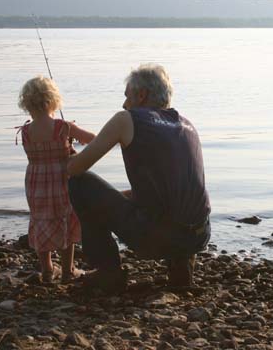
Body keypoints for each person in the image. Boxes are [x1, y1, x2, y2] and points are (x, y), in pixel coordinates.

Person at [67, 63, 210, 293]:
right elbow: (165, 191)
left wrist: (68, 158)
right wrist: (114, 199)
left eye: (127, 96)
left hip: (157, 238)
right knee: (171, 208)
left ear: (141, 95)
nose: (124, 104)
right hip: (198, 236)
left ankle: (109, 273)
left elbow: (75, 169)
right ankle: (181, 266)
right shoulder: (187, 125)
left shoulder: (127, 119)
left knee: (80, 184)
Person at [18, 76, 95, 283]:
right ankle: (68, 270)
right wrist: (71, 143)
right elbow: (94, 140)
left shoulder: (25, 131)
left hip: (35, 183)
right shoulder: (63, 127)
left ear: (27, 103)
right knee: (65, 219)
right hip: (61, 181)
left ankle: (47, 270)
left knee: (41, 220)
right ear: (52, 100)